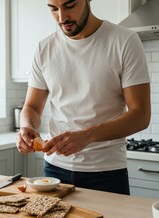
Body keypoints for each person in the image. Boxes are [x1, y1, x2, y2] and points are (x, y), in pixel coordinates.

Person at [16, 0, 151, 195]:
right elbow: (32, 107)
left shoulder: (124, 40)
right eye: (54, 9)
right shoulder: (44, 48)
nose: (62, 18)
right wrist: (26, 126)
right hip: (54, 169)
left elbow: (141, 114)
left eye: (69, 6)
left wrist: (87, 136)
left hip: (106, 172)